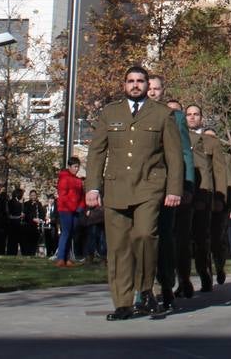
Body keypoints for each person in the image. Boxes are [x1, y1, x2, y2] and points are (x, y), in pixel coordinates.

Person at [86, 64, 184, 321]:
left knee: (144, 235)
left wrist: (174, 189)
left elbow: (174, 156)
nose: (136, 85)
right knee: (118, 248)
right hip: (116, 187)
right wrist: (93, 187)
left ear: (146, 84)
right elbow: (97, 152)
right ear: (124, 84)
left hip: (149, 186)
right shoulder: (110, 113)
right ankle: (123, 303)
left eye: (140, 81)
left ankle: (146, 288)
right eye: (131, 81)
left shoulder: (162, 114)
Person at [163, 97, 198, 301]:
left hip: (179, 189)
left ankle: (181, 279)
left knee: (180, 240)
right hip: (154, 186)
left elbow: (186, 155)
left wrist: (187, 186)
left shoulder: (179, 123)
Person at [185, 104, 222, 293]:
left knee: (202, 239)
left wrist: (219, 198)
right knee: (182, 240)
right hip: (183, 194)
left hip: (203, 196)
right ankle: (183, 280)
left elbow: (218, 172)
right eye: (188, 114)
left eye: (196, 114)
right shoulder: (178, 138)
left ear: (201, 117)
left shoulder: (210, 141)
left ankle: (204, 273)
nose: (192, 117)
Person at [202, 126, 231, 285]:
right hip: (204, 200)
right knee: (203, 240)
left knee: (216, 240)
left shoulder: (225, 158)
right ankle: (206, 273)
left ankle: (219, 266)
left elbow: (229, 182)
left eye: (213, 137)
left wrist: (227, 204)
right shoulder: (199, 154)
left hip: (219, 205)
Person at [55, 157, 85, 266]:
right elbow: (62, 196)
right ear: (69, 166)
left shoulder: (78, 180)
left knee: (71, 233)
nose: (76, 169)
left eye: (78, 167)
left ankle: (67, 257)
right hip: (65, 209)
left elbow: (82, 196)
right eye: (74, 167)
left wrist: (81, 207)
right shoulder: (64, 178)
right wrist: (73, 206)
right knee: (66, 233)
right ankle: (60, 258)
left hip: (75, 210)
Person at [81, 191, 107, 264]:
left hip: (95, 218)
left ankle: (97, 257)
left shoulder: (92, 193)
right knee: (95, 239)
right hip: (95, 218)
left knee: (97, 239)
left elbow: (92, 204)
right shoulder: (97, 193)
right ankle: (98, 257)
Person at [22, 189, 45, 257]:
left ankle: (33, 254)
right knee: (28, 242)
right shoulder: (26, 204)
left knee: (35, 242)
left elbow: (42, 214)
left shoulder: (39, 204)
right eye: (32, 195)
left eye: (34, 195)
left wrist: (40, 219)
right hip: (28, 226)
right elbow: (26, 215)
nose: (33, 197)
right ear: (29, 196)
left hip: (36, 227)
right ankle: (27, 254)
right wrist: (33, 219)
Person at [5, 187, 25, 256]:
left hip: (15, 225)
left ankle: (13, 253)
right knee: (13, 241)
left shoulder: (17, 202)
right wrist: (19, 216)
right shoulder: (13, 202)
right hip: (14, 225)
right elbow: (10, 215)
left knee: (14, 241)